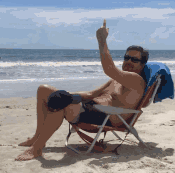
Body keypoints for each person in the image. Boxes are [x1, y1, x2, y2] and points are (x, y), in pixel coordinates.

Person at [15, 19, 149, 161]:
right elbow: (91, 94)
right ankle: (36, 137)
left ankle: (37, 148)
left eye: (134, 60)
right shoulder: (116, 80)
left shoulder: (136, 81)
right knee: (44, 90)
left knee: (62, 103)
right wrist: (67, 95)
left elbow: (109, 69)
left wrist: (102, 40)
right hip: (90, 108)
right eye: (126, 57)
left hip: (104, 118)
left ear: (142, 64)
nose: (128, 61)